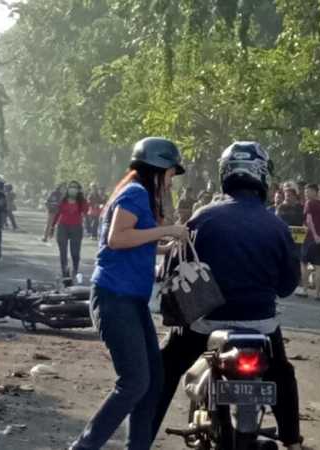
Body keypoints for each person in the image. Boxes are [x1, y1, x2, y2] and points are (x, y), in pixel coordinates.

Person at [152, 141, 304, 450]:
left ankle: (140, 437)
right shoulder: (277, 226)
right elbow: (288, 286)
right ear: (262, 177)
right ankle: (292, 440)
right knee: (282, 374)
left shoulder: (202, 217)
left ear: (225, 175)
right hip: (260, 325)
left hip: (206, 322)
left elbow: (176, 268)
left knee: (166, 367)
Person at [69, 137, 188, 450]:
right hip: (113, 297)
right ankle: (83, 447)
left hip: (131, 301)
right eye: (171, 173)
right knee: (134, 382)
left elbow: (136, 242)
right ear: (158, 169)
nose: (172, 180)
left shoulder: (141, 195)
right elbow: (118, 239)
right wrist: (167, 231)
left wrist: (167, 247)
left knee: (154, 381)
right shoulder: (135, 192)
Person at [47, 181, 89, 279]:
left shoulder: (81, 201)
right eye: (71, 187)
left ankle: (75, 269)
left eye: (75, 188)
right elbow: (57, 214)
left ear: (78, 190)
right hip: (62, 227)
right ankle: (65, 272)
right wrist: (52, 227)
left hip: (76, 227)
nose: (72, 189)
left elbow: (86, 211)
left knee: (75, 252)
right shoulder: (63, 200)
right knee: (63, 251)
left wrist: (82, 198)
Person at [299, 184, 320, 300]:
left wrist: (314, 235)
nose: (306, 194)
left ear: (314, 192)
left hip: (309, 239)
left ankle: (305, 290)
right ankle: (317, 293)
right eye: (305, 192)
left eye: (308, 191)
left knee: (303, 263)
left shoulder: (309, 204)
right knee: (319, 266)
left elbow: (309, 220)